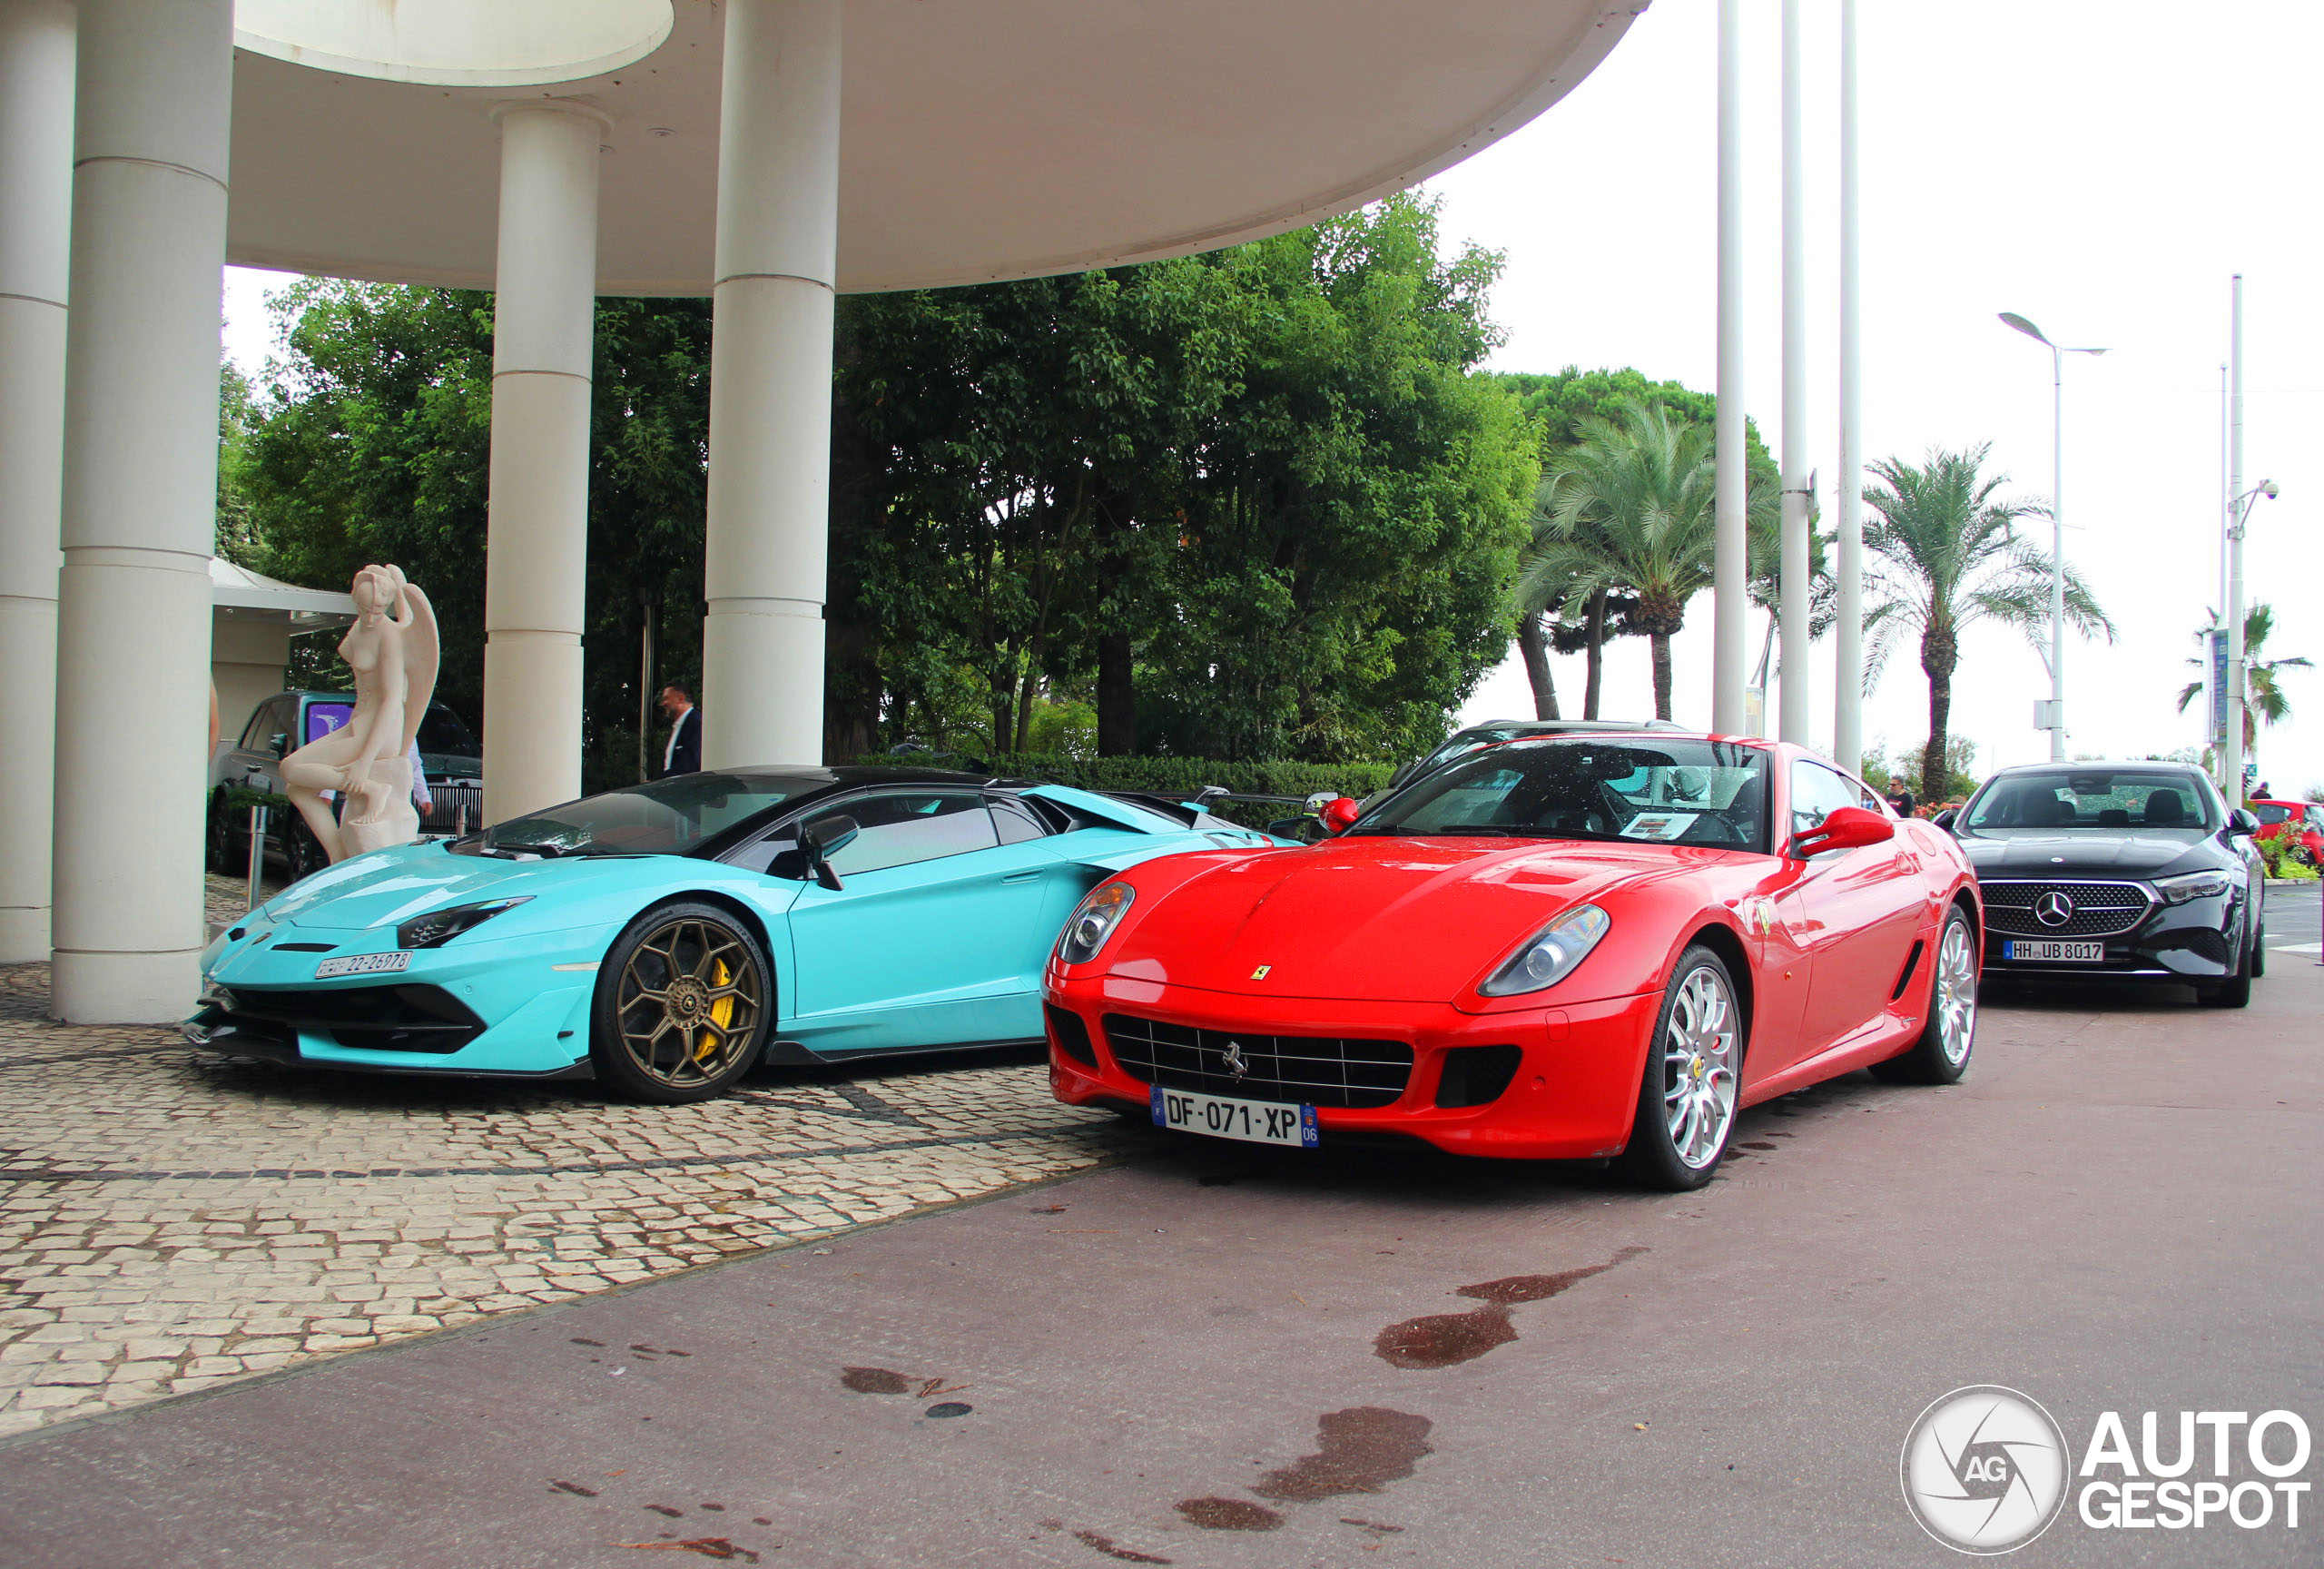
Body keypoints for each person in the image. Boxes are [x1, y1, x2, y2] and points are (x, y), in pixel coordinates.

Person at [658, 682, 702, 777]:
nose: (663, 703)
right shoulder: (680, 725)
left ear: (680, 698)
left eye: (666, 698)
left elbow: (691, 763)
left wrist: (660, 780)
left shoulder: (696, 722)